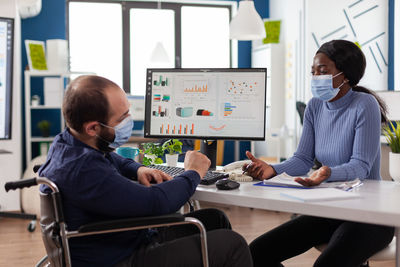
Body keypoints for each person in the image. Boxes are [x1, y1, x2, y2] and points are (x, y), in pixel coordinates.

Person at [38, 75, 252, 267]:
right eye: (122, 118)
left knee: (214, 219)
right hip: (121, 257)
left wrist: (139, 169)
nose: (128, 120)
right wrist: (193, 172)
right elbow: (156, 203)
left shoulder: (68, 143)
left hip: (118, 240)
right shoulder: (85, 170)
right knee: (232, 245)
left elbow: (114, 158)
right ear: (93, 128)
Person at [244, 40, 394, 267]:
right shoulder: (315, 106)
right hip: (330, 207)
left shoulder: (365, 104)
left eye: (323, 71)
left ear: (345, 74)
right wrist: (272, 169)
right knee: (256, 253)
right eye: (313, 71)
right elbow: (303, 158)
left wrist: (327, 172)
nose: (315, 77)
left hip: (370, 213)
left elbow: (361, 166)